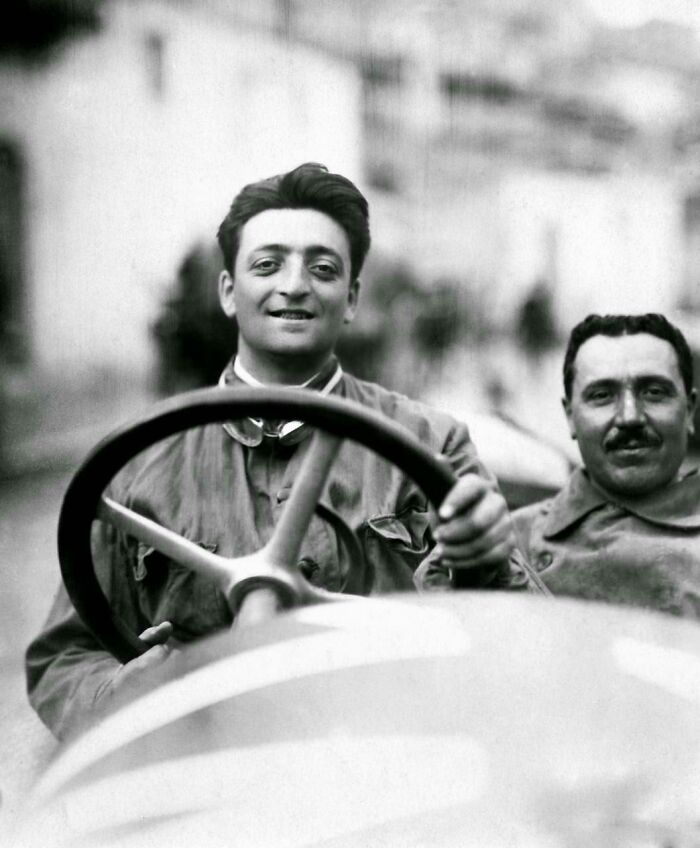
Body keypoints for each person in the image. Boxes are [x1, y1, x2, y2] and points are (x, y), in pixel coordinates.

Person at [27, 163, 516, 739]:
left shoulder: (434, 444)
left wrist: (482, 562)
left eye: (323, 268)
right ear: (229, 293)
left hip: (383, 758)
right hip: (200, 768)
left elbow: (511, 637)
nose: (294, 285)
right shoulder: (137, 465)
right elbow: (64, 659)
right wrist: (122, 694)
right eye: (267, 264)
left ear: (352, 297)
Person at [511, 313, 700, 617]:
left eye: (653, 392)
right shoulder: (509, 541)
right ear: (570, 416)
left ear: (689, 411)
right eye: (601, 396)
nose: (629, 417)